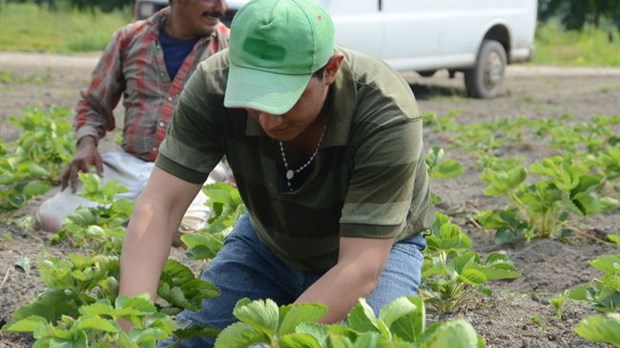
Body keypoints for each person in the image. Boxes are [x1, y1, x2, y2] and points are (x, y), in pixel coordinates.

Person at [119, 0, 435, 346]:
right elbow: (159, 207)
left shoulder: (385, 110)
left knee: (371, 341)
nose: (269, 120)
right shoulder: (214, 85)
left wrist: (273, 341)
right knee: (187, 340)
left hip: (378, 252)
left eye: (284, 99)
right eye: (255, 97)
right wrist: (132, 327)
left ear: (329, 70)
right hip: (267, 245)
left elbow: (361, 266)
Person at [34, 0, 233, 235]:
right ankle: (140, 218)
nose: (221, 8)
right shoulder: (129, 38)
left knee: (188, 230)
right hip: (130, 165)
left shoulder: (229, 47)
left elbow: (245, 119)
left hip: (191, 171)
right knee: (51, 219)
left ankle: (137, 219)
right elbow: (94, 104)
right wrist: (86, 145)